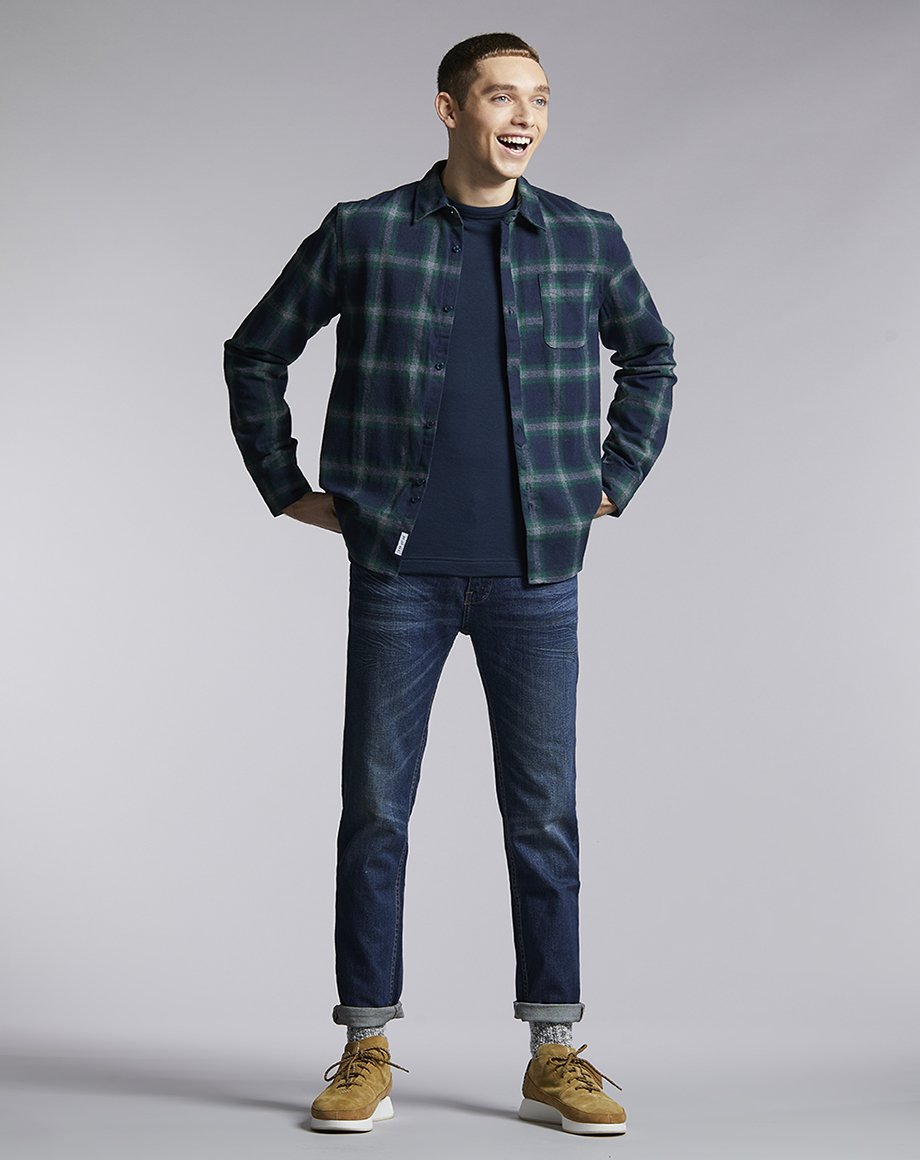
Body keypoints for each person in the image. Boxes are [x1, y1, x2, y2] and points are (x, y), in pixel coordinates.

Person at [223, 31, 676, 1137]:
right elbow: (256, 350)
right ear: (448, 109)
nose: (524, 117)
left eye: (539, 99)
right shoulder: (366, 230)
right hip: (400, 571)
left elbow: (651, 357)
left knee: (544, 816)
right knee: (376, 812)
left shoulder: (584, 237)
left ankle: (554, 1052)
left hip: (535, 574)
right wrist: (285, 485)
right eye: (501, 97)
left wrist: (611, 479)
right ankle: (365, 1044)